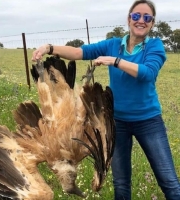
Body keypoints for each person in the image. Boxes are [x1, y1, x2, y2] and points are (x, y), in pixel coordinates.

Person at [32, 0, 180, 199]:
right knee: (121, 183)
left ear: (152, 23)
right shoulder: (113, 45)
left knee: (169, 182)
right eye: (136, 16)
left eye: (147, 18)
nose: (141, 21)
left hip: (148, 122)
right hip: (115, 123)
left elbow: (147, 73)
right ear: (129, 19)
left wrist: (115, 61)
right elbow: (78, 52)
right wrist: (48, 48)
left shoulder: (154, 46)